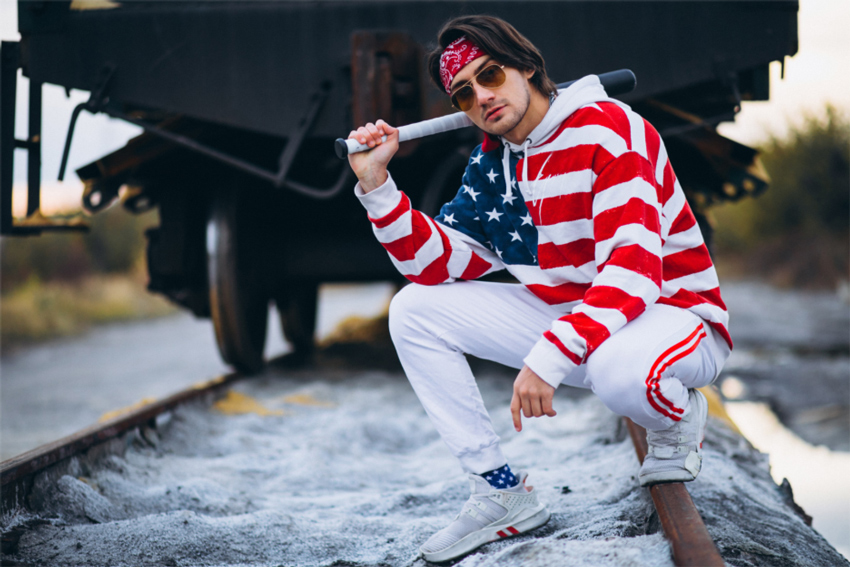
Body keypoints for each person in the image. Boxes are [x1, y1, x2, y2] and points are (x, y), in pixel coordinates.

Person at [345, 15, 732, 563]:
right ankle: (499, 492)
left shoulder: (609, 128)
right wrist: (376, 184)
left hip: (673, 316)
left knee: (618, 372)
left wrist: (549, 357)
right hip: (586, 322)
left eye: (491, 75)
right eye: (464, 93)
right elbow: (433, 266)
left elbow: (633, 270)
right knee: (413, 310)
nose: (482, 97)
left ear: (526, 66)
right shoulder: (492, 165)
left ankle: (676, 416)